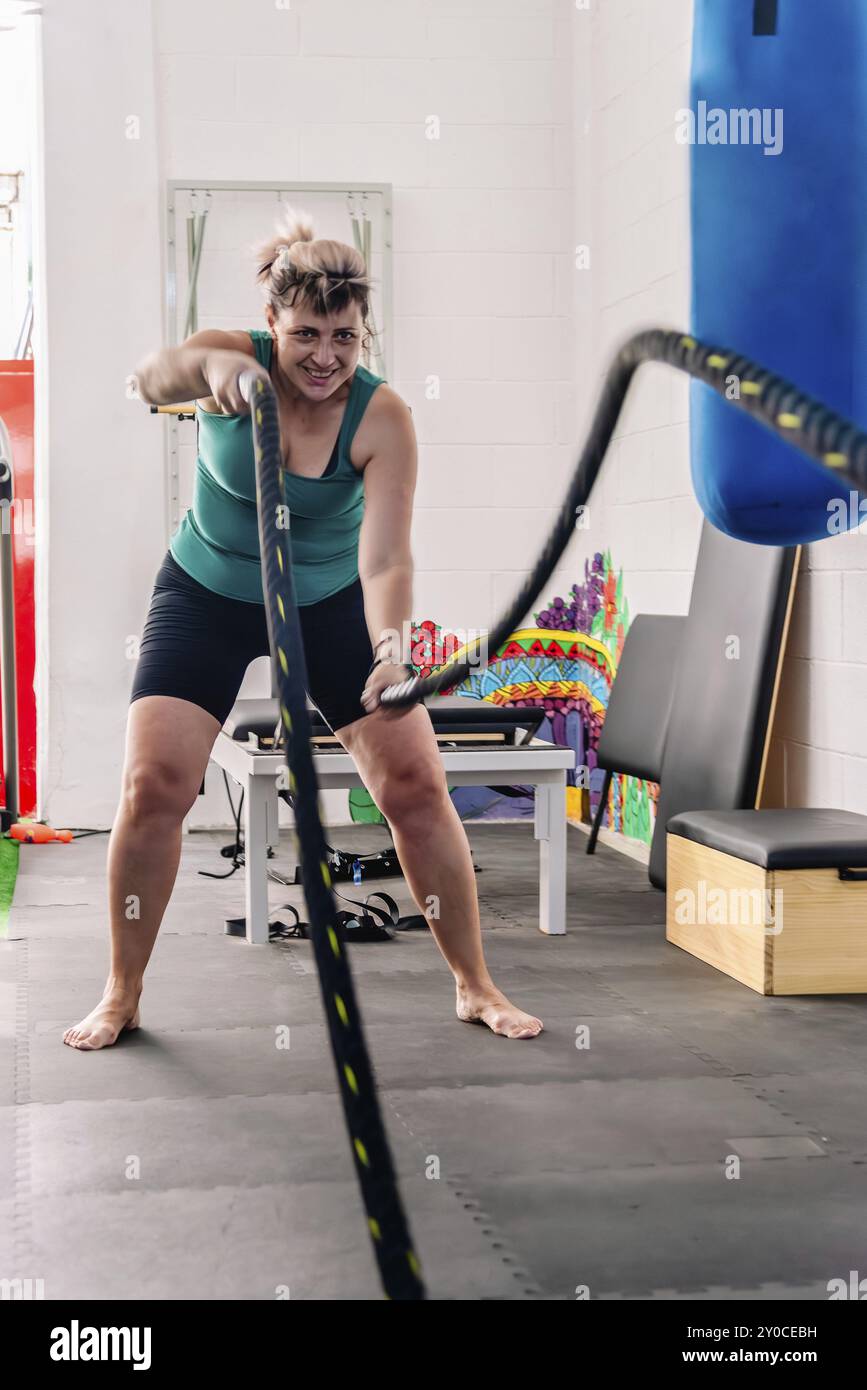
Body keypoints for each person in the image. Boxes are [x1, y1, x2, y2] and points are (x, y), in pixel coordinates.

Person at [63, 208, 543, 1051]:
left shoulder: (382, 416)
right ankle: (121, 992)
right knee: (153, 786)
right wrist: (209, 366)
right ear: (272, 322)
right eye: (306, 335)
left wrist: (390, 649)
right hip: (205, 593)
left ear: (364, 335)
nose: (325, 356)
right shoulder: (233, 355)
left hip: (327, 605)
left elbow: (385, 558)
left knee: (414, 785)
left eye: (345, 338)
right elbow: (146, 381)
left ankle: (475, 985)